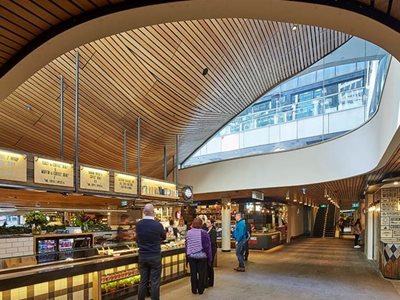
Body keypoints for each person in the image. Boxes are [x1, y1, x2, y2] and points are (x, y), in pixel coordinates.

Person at [136, 204, 166, 300]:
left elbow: (137, 239)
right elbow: (164, 237)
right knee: (155, 282)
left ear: (144, 212)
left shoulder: (139, 224)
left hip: (143, 256)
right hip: (155, 256)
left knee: (143, 282)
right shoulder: (158, 225)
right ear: (153, 212)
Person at [186, 217, 212, 295]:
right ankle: (200, 290)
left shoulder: (189, 232)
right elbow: (207, 246)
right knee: (201, 273)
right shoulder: (204, 233)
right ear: (201, 224)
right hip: (202, 256)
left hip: (191, 256)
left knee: (193, 273)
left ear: (193, 224)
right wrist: (209, 257)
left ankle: (194, 289)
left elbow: (187, 245)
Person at [205, 219, 217, 287]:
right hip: (208, 250)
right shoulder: (207, 231)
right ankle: (208, 281)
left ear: (212, 224)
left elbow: (212, 241)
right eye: (206, 222)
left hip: (211, 250)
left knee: (210, 265)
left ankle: (211, 281)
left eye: (208, 222)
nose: (207, 223)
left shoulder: (213, 231)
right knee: (208, 266)